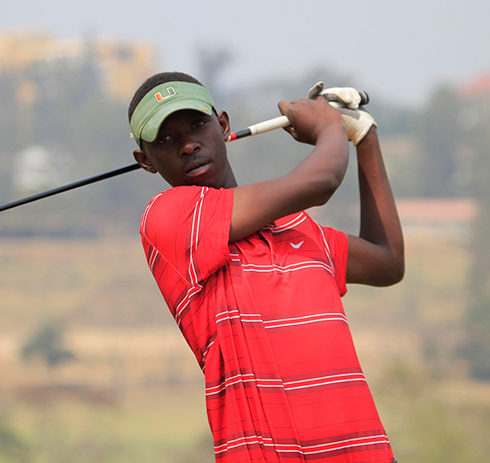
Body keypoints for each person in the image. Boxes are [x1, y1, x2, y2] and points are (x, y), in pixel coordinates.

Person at [128, 71, 404, 463]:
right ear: (146, 161)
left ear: (222, 126)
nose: (188, 145)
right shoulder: (168, 218)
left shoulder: (301, 229)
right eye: (165, 140)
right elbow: (323, 178)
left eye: (197, 125)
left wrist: (364, 137)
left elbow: (387, 261)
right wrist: (330, 128)